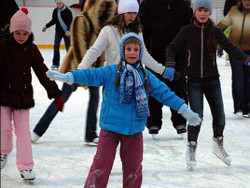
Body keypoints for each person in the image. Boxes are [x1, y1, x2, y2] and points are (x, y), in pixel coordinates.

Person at [46, 32, 201, 188]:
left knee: (133, 171)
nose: (132, 52)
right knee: (100, 167)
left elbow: (164, 93)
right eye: (128, 49)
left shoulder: (146, 76)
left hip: (134, 131)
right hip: (110, 129)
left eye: (135, 49)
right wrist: (69, 77)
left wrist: (183, 109)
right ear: (122, 51)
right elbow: (90, 75)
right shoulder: (111, 71)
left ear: (140, 53)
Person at [165, 0, 250, 170]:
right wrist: (170, 64)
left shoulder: (215, 31)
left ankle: (218, 144)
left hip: (213, 81)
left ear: (210, 13)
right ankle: (191, 147)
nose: (203, 13)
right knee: (196, 117)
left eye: (206, 10)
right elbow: (171, 47)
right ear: (195, 12)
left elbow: (230, 47)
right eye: (200, 10)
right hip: (194, 81)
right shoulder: (187, 31)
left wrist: (245, 58)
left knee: (220, 117)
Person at [31, 0, 116, 146]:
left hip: (94, 70)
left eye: (105, 5)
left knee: (95, 99)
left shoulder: (104, 25)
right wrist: (84, 72)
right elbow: (79, 47)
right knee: (62, 99)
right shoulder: (81, 20)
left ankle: (90, 134)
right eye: (100, 5)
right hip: (75, 68)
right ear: (93, 5)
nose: (102, 8)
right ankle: (37, 131)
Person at [0, 8, 64, 181]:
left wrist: (56, 94)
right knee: (4, 128)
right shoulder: (3, 47)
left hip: (23, 96)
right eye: (18, 33)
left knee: (23, 133)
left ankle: (26, 166)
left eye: (25, 33)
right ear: (11, 31)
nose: (21, 36)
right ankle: (3, 151)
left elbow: (42, 71)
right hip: (4, 96)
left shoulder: (31, 49)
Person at [139, 0, 193, 138]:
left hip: (178, 54)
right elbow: (143, 29)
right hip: (155, 53)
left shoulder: (183, 5)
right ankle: (153, 121)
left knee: (179, 88)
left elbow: (189, 27)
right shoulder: (148, 5)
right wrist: (145, 51)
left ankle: (180, 121)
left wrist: (187, 48)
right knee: (154, 87)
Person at [78, 0, 168, 82]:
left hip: (132, 82)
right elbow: (95, 51)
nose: (132, 16)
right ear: (122, 12)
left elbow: (144, 55)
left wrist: (162, 70)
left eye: (135, 13)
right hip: (113, 81)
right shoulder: (108, 30)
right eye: (129, 12)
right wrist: (81, 69)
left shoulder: (137, 31)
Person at [217, 0, 250, 118]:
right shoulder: (234, 11)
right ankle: (239, 107)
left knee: (248, 79)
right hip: (235, 50)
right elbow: (222, 25)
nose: (248, 2)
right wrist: (210, 32)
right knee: (238, 78)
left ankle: (248, 107)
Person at [42, 0, 73, 70]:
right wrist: (46, 26)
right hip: (58, 32)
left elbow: (70, 22)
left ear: (63, 3)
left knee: (68, 47)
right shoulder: (55, 11)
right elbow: (54, 20)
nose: (58, 5)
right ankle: (55, 63)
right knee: (56, 47)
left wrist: (68, 30)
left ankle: (71, 62)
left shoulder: (68, 11)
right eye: (57, 4)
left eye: (60, 3)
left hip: (66, 33)